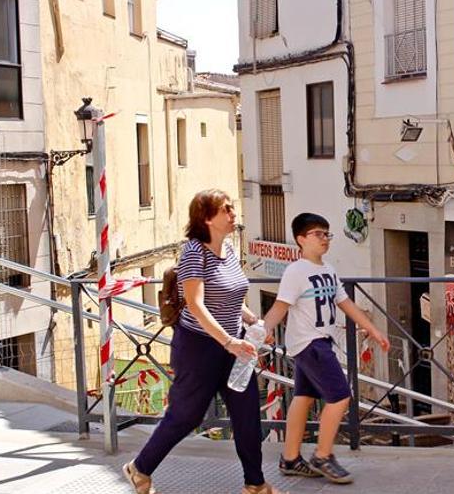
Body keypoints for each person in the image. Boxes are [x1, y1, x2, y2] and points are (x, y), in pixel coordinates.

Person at [122, 189, 286, 494]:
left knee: (247, 414)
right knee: (187, 415)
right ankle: (140, 468)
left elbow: (232, 298)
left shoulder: (230, 251)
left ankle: (255, 484)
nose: (233, 214)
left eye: (232, 208)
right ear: (207, 218)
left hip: (233, 345)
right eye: (226, 209)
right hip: (199, 347)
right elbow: (196, 303)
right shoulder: (194, 252)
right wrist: (227, 341)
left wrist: (253, 322)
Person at [259, 212, 390, 484]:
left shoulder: (328, 270)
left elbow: (345, 303)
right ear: (301, 239)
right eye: (318, 234)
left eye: (327, 234)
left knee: (304, 397)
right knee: (340, 396)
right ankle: (322, 454)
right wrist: (264, 330)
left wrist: (374, 330)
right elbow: (280, 307)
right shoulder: (296, 272)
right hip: (311, 343)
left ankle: (291, 458)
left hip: (320, 341)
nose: (325, 239)